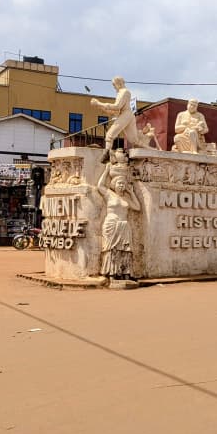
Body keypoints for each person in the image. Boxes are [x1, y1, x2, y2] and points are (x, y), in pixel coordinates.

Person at [97, 153, 140, 281]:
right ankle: (111, 273)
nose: (121, 185)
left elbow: (137, 207)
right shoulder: (109, 194)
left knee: (126, 250)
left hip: (124, 225)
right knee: (111, 249)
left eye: (123, 184)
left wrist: (132, 193)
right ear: (114, 185)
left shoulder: (126, 197)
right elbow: (100, 186)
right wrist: (106, 171)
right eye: (119, 183)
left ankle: (125, 272)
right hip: (111, 224)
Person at [90, 76, 144, 162]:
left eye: (114, 85)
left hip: (126, 114)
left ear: (119, 83)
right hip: (126, 115)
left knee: (110, 135)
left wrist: (99, 103)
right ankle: (148, 149)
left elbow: (117, 106)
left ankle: (106, 154)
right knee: (134, 140)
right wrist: (99, 106)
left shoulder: (125, 92)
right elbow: (115, 111)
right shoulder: (121, 93)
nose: (114, 87)